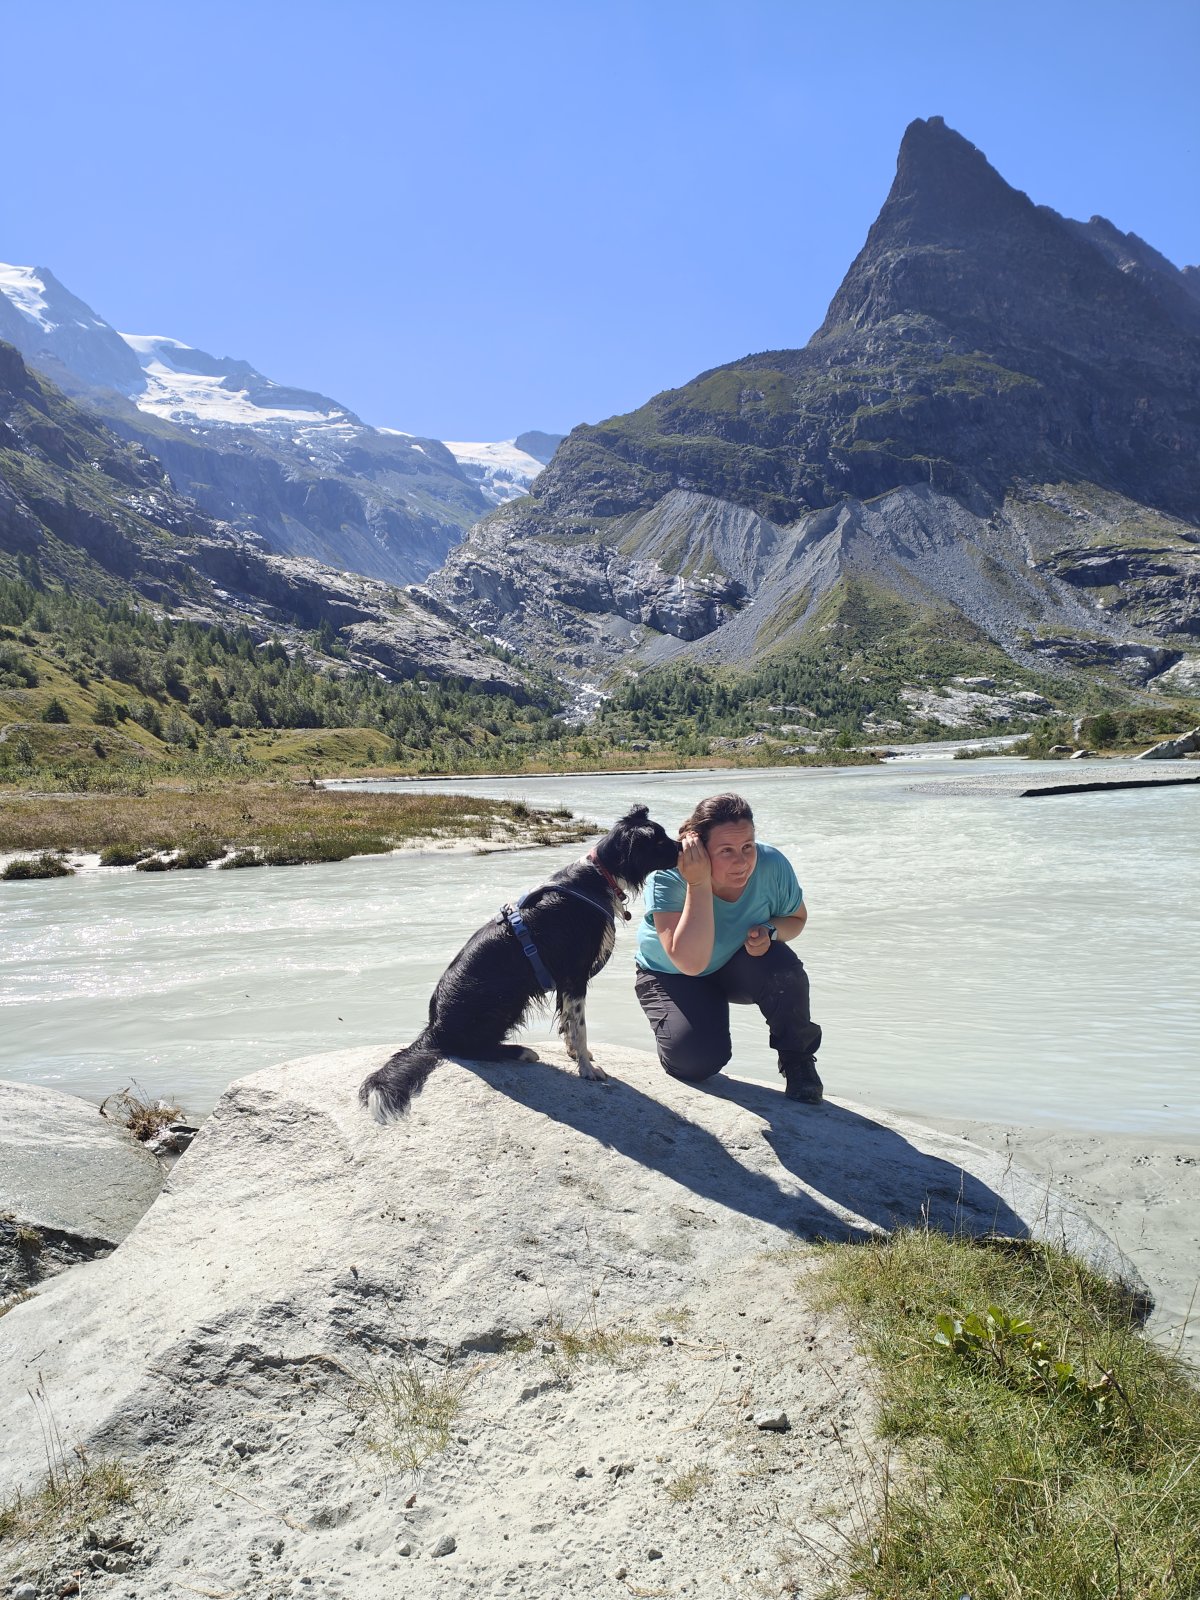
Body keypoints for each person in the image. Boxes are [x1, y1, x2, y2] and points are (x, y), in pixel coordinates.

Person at [633, 792, 823, 1102]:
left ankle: (798, 1062)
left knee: (781, 965)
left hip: (732, 966)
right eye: (726, 850)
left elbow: (797, 918)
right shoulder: (668, 875)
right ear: (699, 848)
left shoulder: (771, 863)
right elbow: (690, 963)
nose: (741, 862)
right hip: (673, 974)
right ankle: (684, 1017)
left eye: (747, 846)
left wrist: (770, 931)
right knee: (696, 1062)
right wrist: (698, 882)